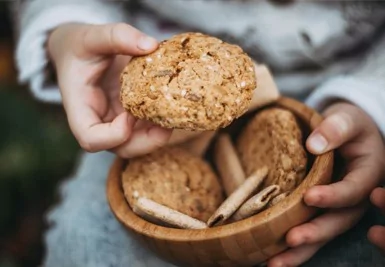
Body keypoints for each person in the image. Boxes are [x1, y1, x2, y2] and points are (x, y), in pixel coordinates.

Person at [12, 0, 385, 266]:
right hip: (141, 109)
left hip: (353, 93)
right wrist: (67, 30)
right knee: (85, 240)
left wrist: (371, 100)